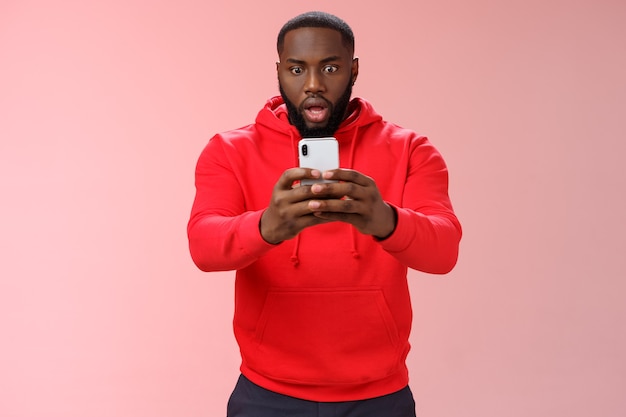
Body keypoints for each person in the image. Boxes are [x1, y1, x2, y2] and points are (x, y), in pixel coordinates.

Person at [188, 11, 462, 417]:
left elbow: (444, 252)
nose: (313, 85)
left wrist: (385, 220)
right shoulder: (229, 150)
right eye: (297, 69)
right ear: (279, 71)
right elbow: (203, 246)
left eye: (330, 68)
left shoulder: (411, 149)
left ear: (353, 70)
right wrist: (267, 227)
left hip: (379, 396)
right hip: (266, 394)